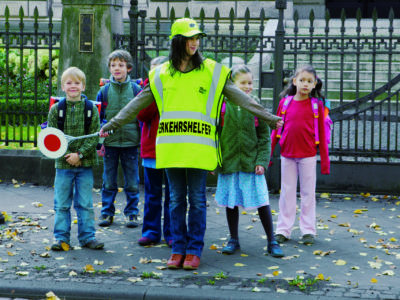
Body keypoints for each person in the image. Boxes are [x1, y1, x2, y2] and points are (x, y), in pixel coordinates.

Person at [100, 18, 283, 270]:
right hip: (172, 148)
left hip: (199, 149)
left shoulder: (212, 71)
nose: (195, 42)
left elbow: (241, 97)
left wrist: (269, 117)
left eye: (197, 37)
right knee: (176, 199)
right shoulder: (160, 73)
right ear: (178, 41)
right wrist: (112, 124)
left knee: (196, 200)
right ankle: (178, 249)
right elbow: (137, 103)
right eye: (190, 38)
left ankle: (194, 250)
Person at [215, 65, 284, 258]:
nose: (247, 87)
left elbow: (264, 136)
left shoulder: (255, 105)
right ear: (231, 84)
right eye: (243, 83)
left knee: (262, 202)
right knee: (231, 203)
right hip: (229, 164)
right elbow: (215, 136)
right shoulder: (221, 105)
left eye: (250, 83)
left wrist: (262, 160)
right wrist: (215, 162)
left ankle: (272, 240)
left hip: (251, 165)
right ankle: (233, 239)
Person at [270, 65, 330, 245]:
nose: (305, 84)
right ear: (294, 81)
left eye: (309, 81)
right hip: (287, 154)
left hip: (308, 156)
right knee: (286, 192)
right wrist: (269, 154)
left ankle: (308, 230)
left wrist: (325, 163)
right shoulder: (285, 103)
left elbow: (322, 132)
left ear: (315, 84)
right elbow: (276, 130)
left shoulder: (316, 106)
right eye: (302, 80)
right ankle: (283, 229)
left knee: (308, 193)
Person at [48, 67, 104, 251]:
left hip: (85, 164)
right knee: (62, 203)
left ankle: (88, 237)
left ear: (83, 86)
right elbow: (52, 137)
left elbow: (94, 136)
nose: (73, 86)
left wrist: (79, 155)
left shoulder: (91, 110)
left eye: (77, 83)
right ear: (63, 86)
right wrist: (68, 156)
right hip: (63, 165)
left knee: (85, 204)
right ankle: (61, 238)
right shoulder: (56, 110)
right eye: (69, 83)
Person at [96, 50, 142, 228]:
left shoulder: (136, 90)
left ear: (128, 68)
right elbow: (98, 117)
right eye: (113, 65)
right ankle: (107, 213)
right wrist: (100, 140)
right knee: (108, 181)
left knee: (132, 181)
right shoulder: (104, 91)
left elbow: (141, 116)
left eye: (121, 65)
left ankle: (131, 213)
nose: (117, 68)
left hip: (130, 143)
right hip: (110, 143)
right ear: (109, 67)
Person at [136, 56, 173, 247]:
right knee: (152, 194)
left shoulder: (174, 89)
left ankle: (172, 232)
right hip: (151, 150)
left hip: (172, 149)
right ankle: (151, 231)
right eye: (153, 70)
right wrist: (152, 93)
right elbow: (141, 114)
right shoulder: (145, 90)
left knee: (173, 195)